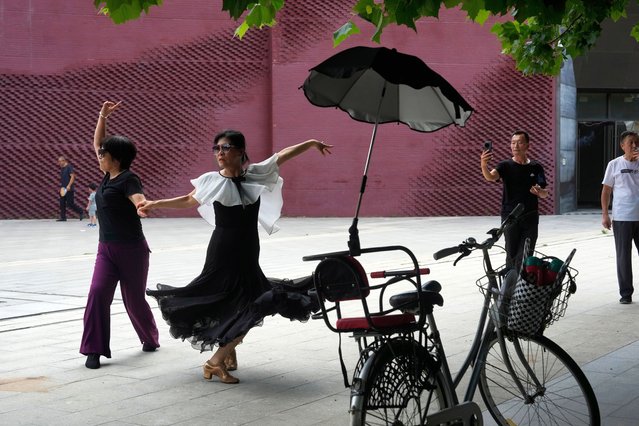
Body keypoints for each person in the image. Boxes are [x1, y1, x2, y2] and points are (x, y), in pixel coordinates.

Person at [138, 130, 332, 384]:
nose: (220, 153)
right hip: (223, 250)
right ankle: (214, 362)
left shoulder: (255, 174)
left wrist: (309, 142)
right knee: (247, 302)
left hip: (249, 250)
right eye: (216, 149)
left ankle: (227, 350)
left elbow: (282, 155)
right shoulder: (211, 180)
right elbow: (187, 200)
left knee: (247, 301)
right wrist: (155, 204)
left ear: (241, 151)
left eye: (226, 148)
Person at [80, 101, 160, 369]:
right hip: (106, 249)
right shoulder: (106, 175)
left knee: (134, 298)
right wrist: (102, 115)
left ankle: (149, 337)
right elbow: (98, 141)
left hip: (132, 250)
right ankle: (94, 349)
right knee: (97, 292)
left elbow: (138, 198)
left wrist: (141, 207)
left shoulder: (128, 178)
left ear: (116, 158)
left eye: (104, 154)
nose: (99, 155)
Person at [480, 130, 549, 271]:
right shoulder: (505, 166)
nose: (515, 146)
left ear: (527, 145)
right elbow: (491, 177)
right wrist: (483, 165)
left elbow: (544, 193)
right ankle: (510, 288)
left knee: (526, 254)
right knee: (511, 254)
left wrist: (539, 191)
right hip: (510, 217)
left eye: (519, 142)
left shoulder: (536, 167)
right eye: (512, 143)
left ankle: (522, 287)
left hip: (530, 217)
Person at [601, 130, 639, 304]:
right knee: (623, 256)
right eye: (630, 142)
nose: (634, 145)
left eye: (636, 142)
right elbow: (606, 191)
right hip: (622, 217)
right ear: (622, 145)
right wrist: (605, 215)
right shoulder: (614, 164)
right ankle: (626, 293)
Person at [57, 156, 84, 221]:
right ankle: (63, 217)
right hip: (63, 189)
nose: (59, 163)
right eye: (58, 161)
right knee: (62, 203)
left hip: (69, 189)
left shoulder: (69, 167)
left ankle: (80, 211)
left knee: (70, 204)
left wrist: (69, 185)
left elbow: (72, 177)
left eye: (60, 161)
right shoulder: (62, 168)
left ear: (64, 161)